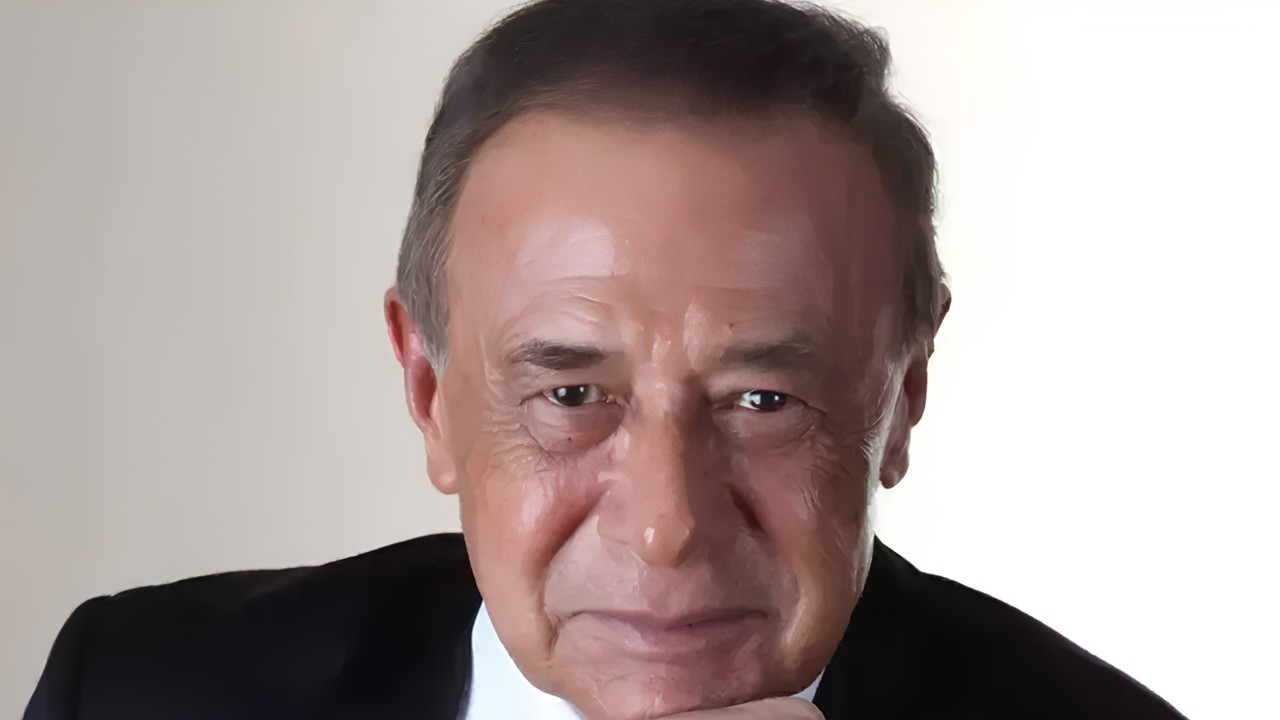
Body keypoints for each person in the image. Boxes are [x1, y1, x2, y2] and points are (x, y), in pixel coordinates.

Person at [23, 1, 1187, 718]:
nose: (664, 527)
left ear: (901, 397)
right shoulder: (135, 690)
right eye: (571, 393)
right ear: (430, 393)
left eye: (762, 400)